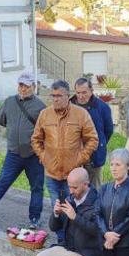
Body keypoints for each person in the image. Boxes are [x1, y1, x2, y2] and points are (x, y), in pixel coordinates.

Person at [0, 72, 46, 226]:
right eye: (21, 85)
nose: (23, 89)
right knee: (1, 184)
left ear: (33, 86)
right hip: (13, 154)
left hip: (34, 155)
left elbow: (47, 131)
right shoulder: (10, 102)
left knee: (37, 188)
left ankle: (34, 219)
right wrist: (13, 128)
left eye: (27, 86)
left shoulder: (41, 107)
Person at [31, 80, 98, 239]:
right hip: (52, 173)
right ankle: (62, 241)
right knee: (58, 209)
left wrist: (79, 159)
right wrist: (43, 156)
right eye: (53, 96)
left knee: (73, 210)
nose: (55, 99)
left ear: (68, 96)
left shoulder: (80, 114)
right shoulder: (45, 114)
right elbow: (35, 139)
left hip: (72, 175)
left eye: (59, 95)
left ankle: (76, 242)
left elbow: (93, 139)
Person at [72, 77, 114, 187]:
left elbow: (108, 131)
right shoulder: (69, 106)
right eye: (78, 93)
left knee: (95, 189)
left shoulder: (102, 107)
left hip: (93, 156)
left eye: (84, 92)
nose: (81, 96)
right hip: (72, 155)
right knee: (74, 188)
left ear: (91, 91)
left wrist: (98, 144)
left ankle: (95, 205)